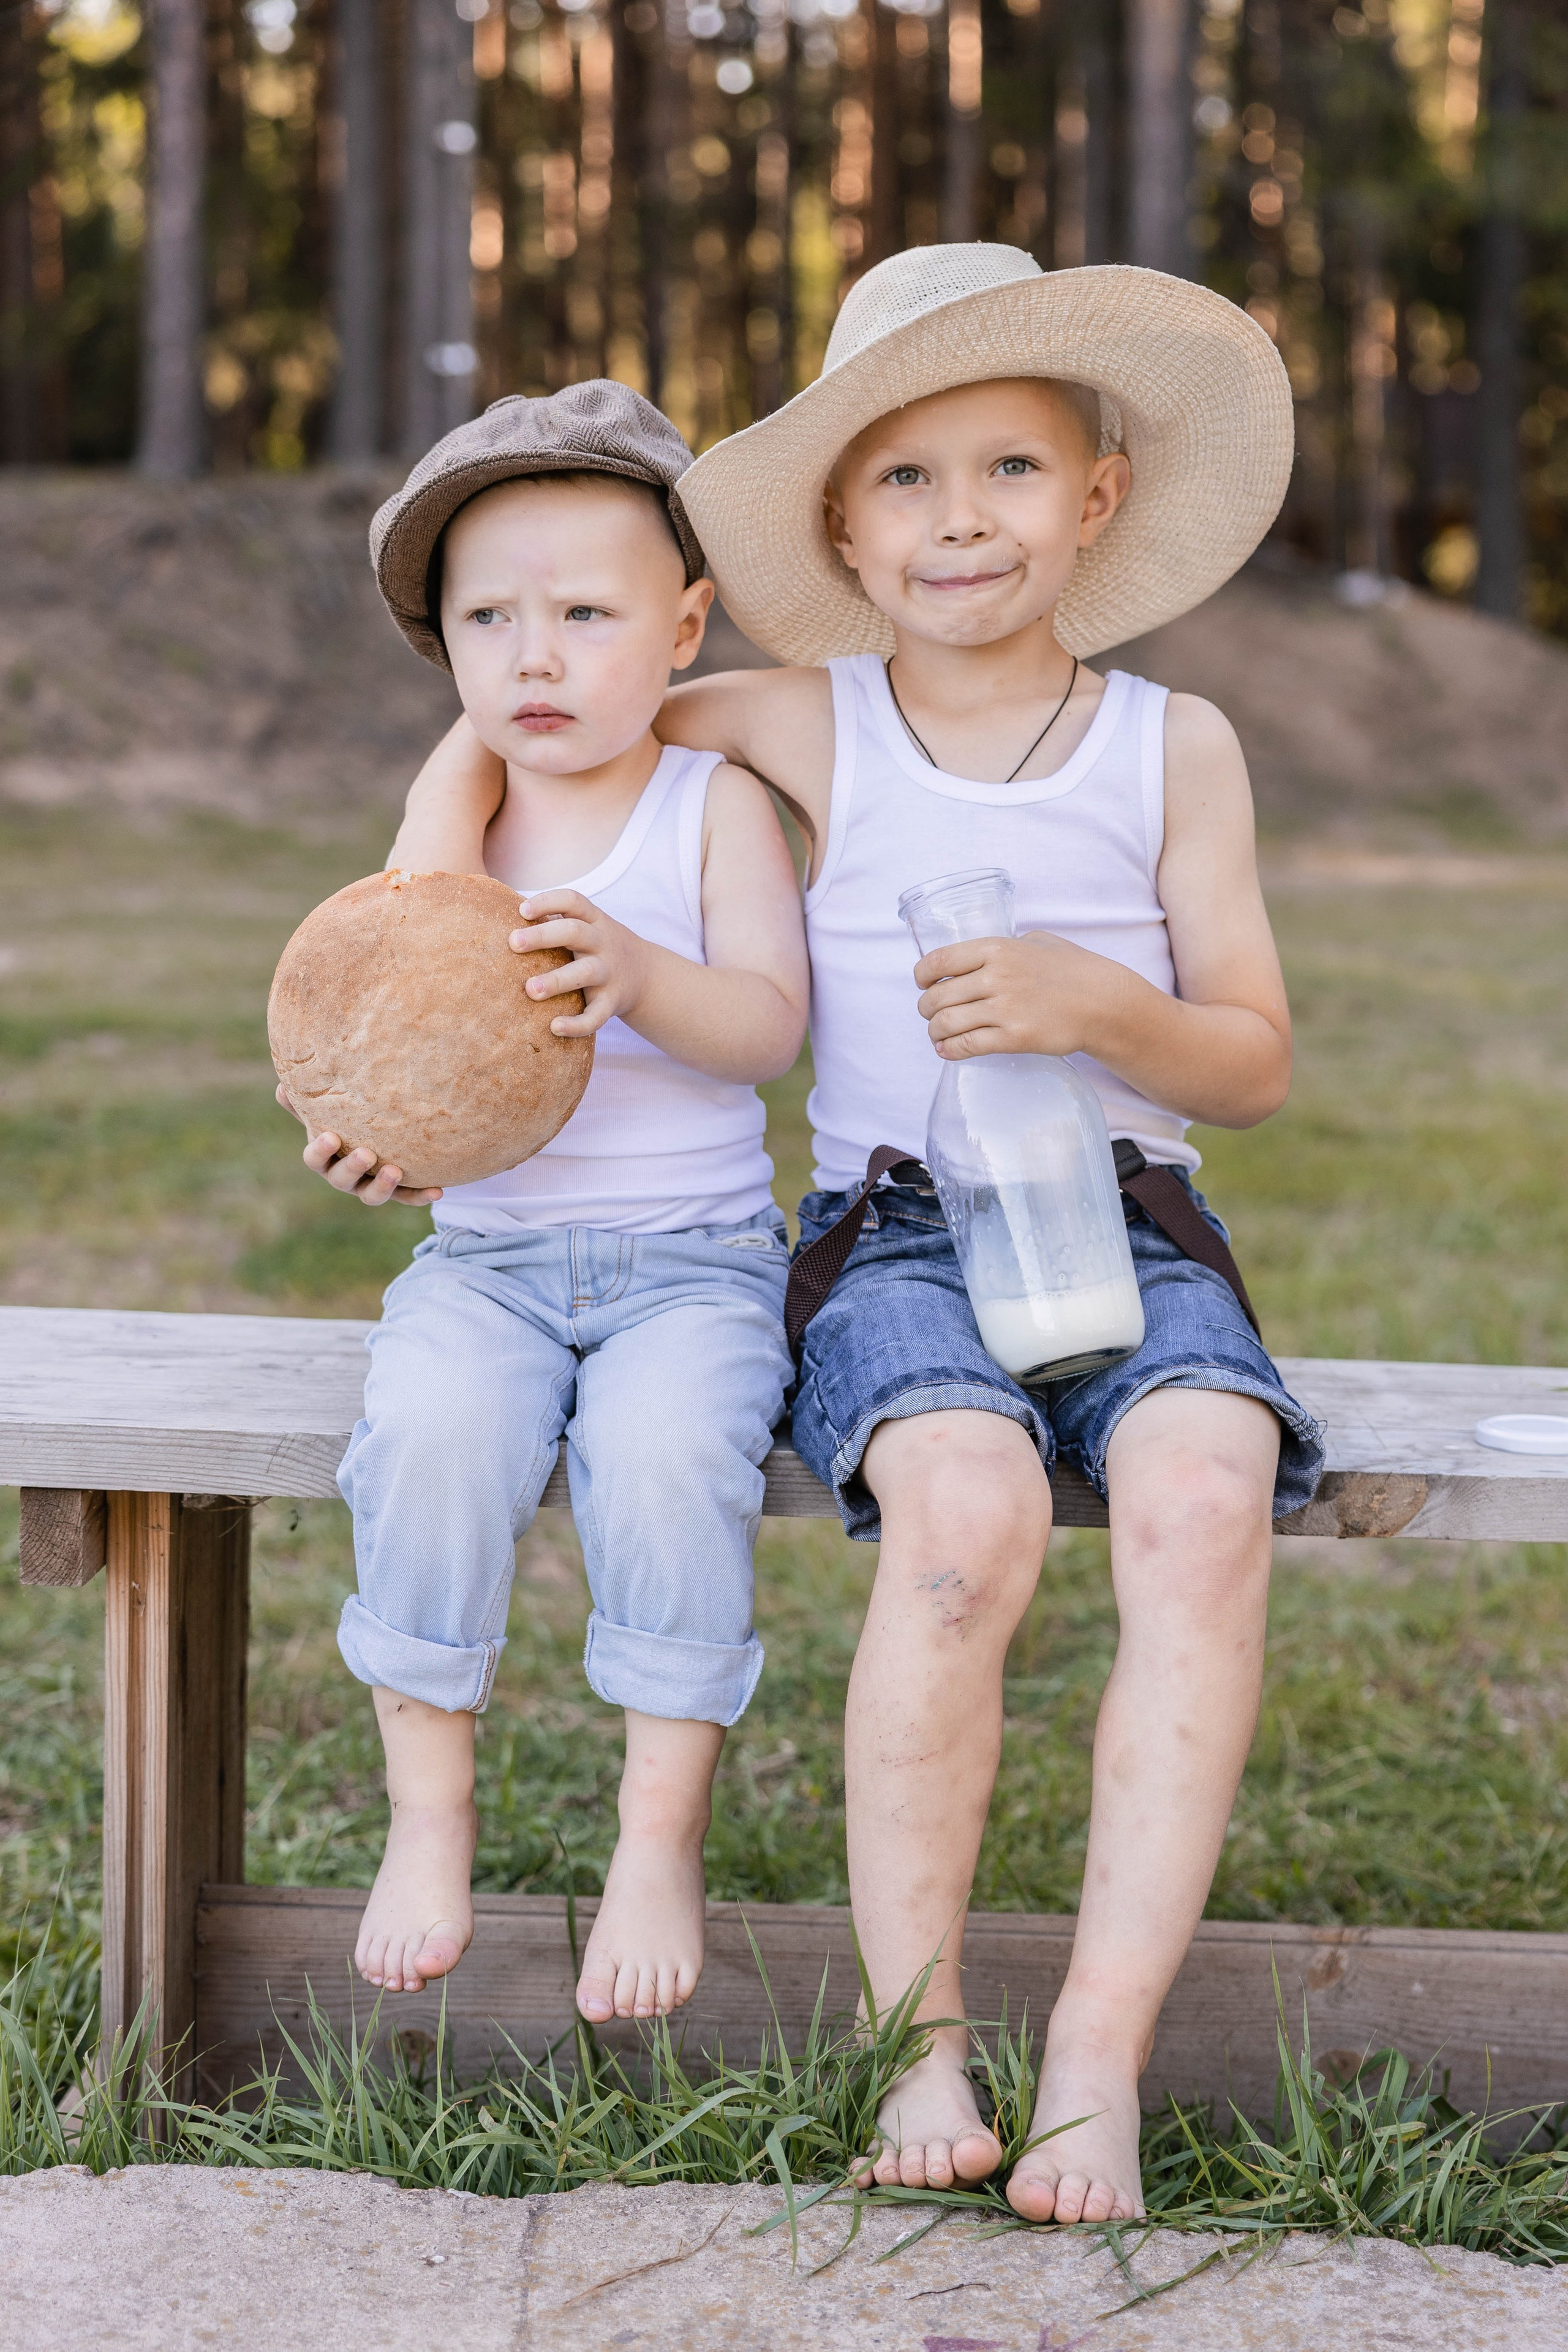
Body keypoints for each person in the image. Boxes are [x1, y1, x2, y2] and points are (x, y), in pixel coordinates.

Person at [396, 249, 1325, 2226]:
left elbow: (1248, 1063)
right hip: (896, 1237)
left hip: (1131, 1219)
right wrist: (419, 890)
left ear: (1098, 496)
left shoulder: (1179, 748)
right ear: (838, 521)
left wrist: (1106, 1010)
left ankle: (1098, 2046)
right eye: (903, 478)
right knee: (965, 1521)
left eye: (1008, 467)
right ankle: (925, 2039)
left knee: (1205, 1494)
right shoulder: (809, 723)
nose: (958, 517)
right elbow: (545, 699)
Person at [279, 382, 807, 2028]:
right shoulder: (471, 819)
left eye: (588, 615)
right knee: (428, 1442)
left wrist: (643, 975)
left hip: (693, 1270)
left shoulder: (708, 808)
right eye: (487, 621)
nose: (537, 656)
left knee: (665, 1464)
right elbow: (390, 997)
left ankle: (661, 1835)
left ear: (686, 624)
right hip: (489, 1263)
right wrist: (368, 1136)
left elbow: (772, 1032)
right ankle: (432, 1820)